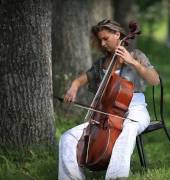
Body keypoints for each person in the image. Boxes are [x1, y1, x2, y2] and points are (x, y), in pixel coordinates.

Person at [58, 19, 160, 180]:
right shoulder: (101, 63)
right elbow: (82, 78)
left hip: (135, 109)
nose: (102, 43)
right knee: (67, 137)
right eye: (100, 40)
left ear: (117, 34)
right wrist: (74, 86)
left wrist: (133, 63)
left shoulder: (135, 55)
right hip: (107, 115)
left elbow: (155, 80)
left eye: (106, 38)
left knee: (129, 128)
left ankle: (116, 177)